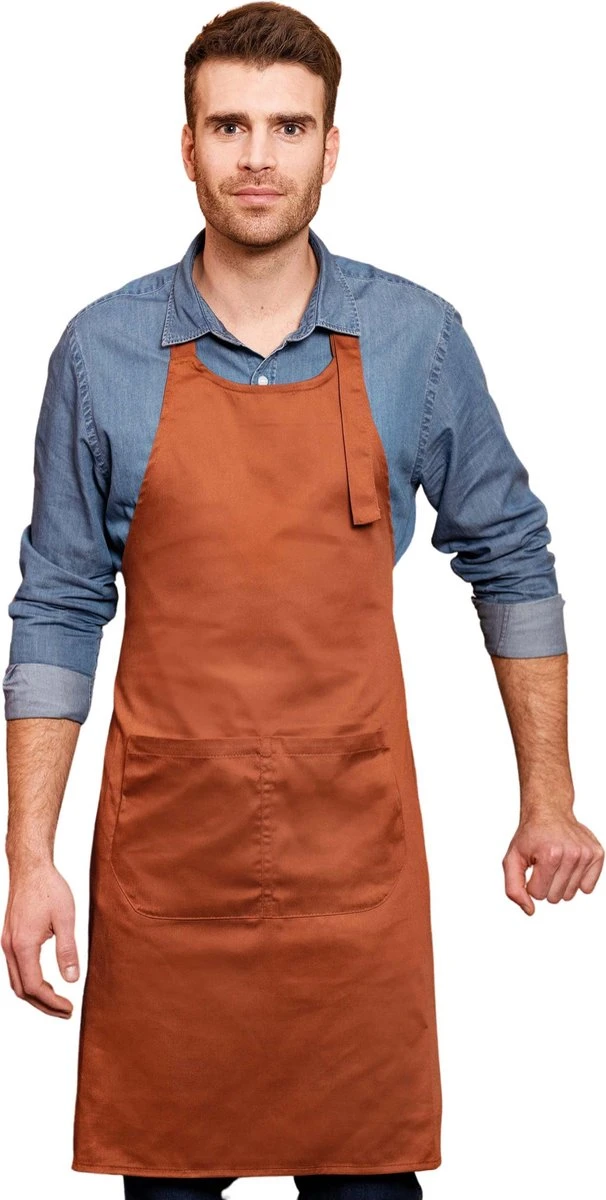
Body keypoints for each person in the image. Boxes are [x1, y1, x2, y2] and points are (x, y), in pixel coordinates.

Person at [2, 4, 603, 1199]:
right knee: (167, 1187)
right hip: (172, 859)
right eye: (230, 125)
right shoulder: (101, 352)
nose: (258, 156)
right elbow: (59, 606)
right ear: (188, 146)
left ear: (334, 146)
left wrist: (550, 798)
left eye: (288, 127)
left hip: (351, 859)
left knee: (367, 1186)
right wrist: (30, 857)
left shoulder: (418, 339)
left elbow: (512, 559)